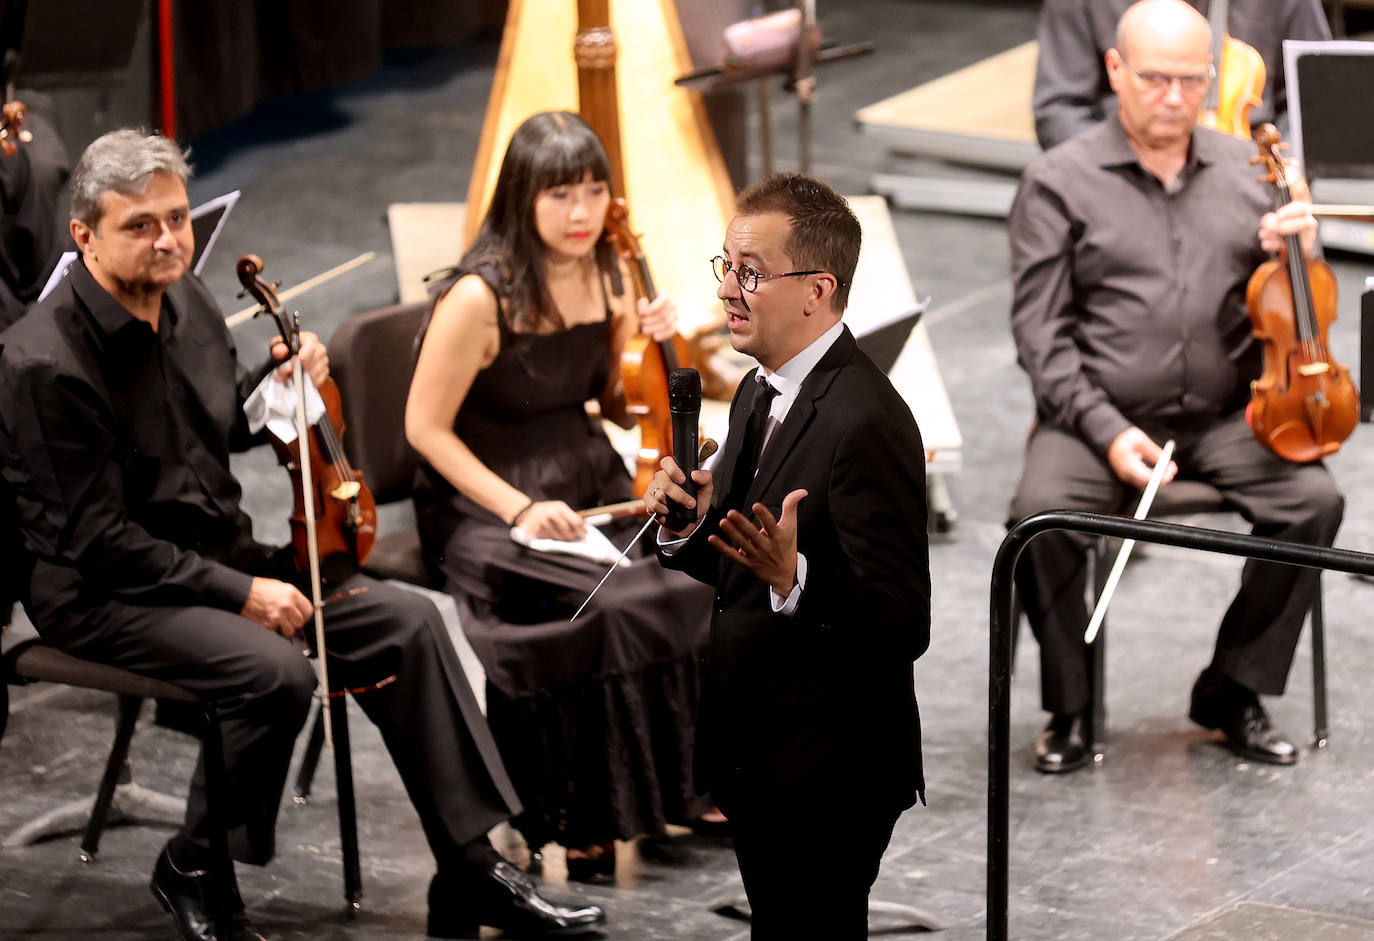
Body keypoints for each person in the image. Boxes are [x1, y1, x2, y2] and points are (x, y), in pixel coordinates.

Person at [0, 129, 604, 941]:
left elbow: (216, 420)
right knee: (273, 670)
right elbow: (97, 540)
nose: (169, 239)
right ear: (84, 237)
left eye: (177, 218)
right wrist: (241, 593)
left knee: (411, 623)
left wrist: (281, 382)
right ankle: (194, 862)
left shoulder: (185, 301)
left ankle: (469, 865)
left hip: (217, 556)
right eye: (139, 225)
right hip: (103, 592)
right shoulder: (44, 363)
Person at [1008, 0, 1344, 775]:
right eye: (1156, 79)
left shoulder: (1249, 173)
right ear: (1115, 72)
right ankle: (1073, 704)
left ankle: (1233, 685)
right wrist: (1106, 430)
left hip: (1228, 414)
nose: (1174, 98)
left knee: (1314, 502)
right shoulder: (1057, 182)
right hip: (1100, 414)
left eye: (1193, 81)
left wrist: (1300, 247)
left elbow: (1295, 312)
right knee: (1038, 517)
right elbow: (1040, 336)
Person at [405, 110, 715, 877]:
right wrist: (516, 509)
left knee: (690, 578)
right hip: (486, 500)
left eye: (593, 191)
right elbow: (424, 429)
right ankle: (582, 810)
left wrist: (647, 342)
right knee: (605, 604)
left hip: (582, 479)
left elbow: (608, 402)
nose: (581, 213)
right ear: (523, 197)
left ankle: (684, 789)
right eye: (560, 194)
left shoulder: (608, 271)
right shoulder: (479, 296)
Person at [645, 173, 930, 940]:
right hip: (760, 752)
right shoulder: (754, 391)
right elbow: (742, 563)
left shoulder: (870, 421)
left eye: (752, 271)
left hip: (833, 768)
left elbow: (904, 622)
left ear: (817, 289)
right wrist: (688, 526)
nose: (729, 291)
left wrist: (794, 579)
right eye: (726, 266)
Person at [1033, 0, 1331, 150]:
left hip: (1252, 185)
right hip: (1122, 176)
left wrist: (1283, 170)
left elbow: (1318, 100)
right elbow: (1059, 110)